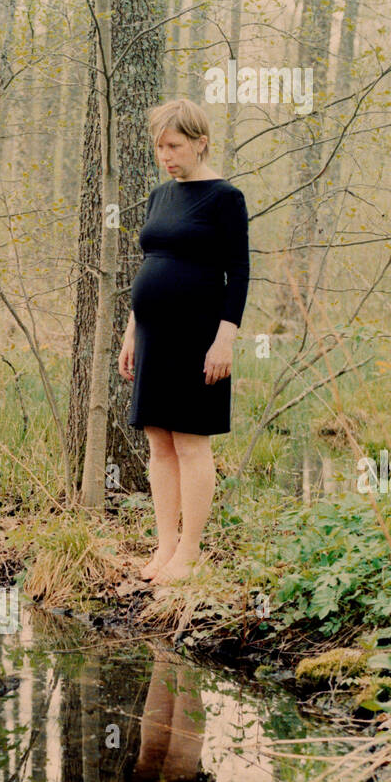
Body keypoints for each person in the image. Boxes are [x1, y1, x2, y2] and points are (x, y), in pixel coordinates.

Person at [118, 98, 250, 586]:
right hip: (153, 333)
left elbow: (237, 273)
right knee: (158, 440)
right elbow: (151, 263)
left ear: (200, 143)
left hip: (199, 334)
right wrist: (132, 330)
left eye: (173, 146)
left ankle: (190, 554)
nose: (165, 156)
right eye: (159, 147)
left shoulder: (224, 198)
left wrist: (224, 341)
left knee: (192, 442)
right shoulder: (159, 197)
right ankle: (165, 549)